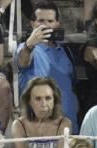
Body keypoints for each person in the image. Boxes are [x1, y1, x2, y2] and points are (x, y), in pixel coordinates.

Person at [16, 1, 79, 132]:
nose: (45, 25)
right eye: (41, 21)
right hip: (37, 129)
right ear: (33, 24)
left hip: (69, 125)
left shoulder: (66, 51)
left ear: (57, 24)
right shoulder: (26, 48)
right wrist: (29, 45)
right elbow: (22, 62)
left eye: (50, 21)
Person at [11, 77, 73, 148]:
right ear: (30, 102)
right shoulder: (19, 125)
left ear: (54, 100)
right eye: (38, 99)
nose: (43, 103)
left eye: (48, 98)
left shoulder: (64, 123)